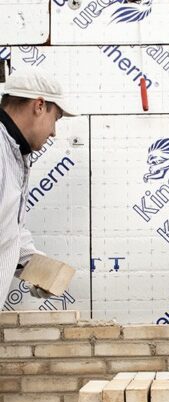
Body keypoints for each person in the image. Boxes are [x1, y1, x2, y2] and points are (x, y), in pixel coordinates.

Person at [0, 69, 76, 310]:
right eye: (57, 119)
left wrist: (38, 268)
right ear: (40, 106)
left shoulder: (11, 151)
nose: (54, 132)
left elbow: (8, 231)